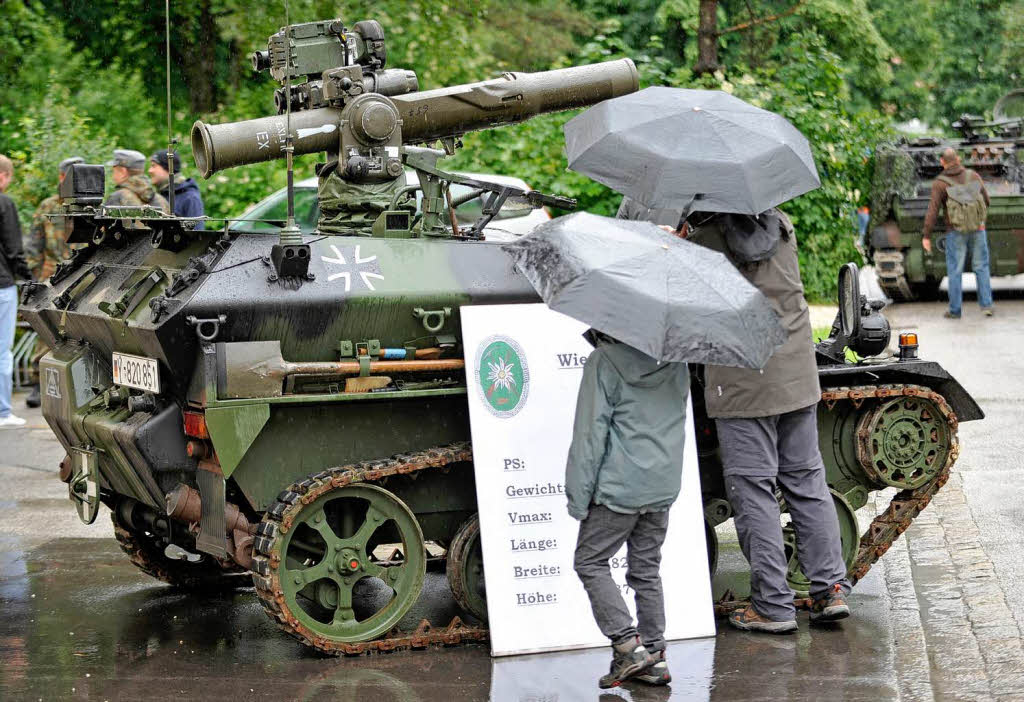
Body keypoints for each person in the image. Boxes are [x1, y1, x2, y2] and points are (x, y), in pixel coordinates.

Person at [683, 209, 851, 633]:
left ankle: (773, 606)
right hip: (795, 372)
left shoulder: (706, 236)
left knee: (752, 490)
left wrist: (677, 240)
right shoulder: (782, 225)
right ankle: (829, 589)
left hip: (741, 381)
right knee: (807, 481)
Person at [566, 328, 690, 688]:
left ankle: (627, 646)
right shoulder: (676, 360)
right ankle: (654, 658)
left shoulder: (604, 361)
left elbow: (589, 435)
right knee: (646, 570)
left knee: (589, 561)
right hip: (662, 485)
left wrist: (578, 496)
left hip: (620, 488)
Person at [23, 156, 85, 408]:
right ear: (62, 178)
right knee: (45, 329)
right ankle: (38, 383)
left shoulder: (91, 208)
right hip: (52, 276)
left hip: (84, 277)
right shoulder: (49, 206)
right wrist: (33, 277)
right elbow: (33, 245)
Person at [921, 147, 994, 319]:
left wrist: (926, 235)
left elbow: (933, 210)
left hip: (955, 231)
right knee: (981, 267)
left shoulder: (940, 183)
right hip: (978, 229)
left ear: (942, 162)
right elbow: (987, 200)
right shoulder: (973, 176)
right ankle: (987, 306)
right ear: (958, 159)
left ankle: (955, 310)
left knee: (955, 270)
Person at [0, 154, 31, 428]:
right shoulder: (4, 204)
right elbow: (13, 249)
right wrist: (29, 278)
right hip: (1, 287)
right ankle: (2, 412)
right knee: (2, 351)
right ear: (2, 176)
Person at [149, 150, 205, 228]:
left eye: (153, 166)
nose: (150, 170)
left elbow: (197, 235)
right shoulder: (159, 195)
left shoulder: (190, 198)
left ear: (168, 168)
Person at [104, 149, 170, 213]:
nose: (113, 176)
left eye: (114, 171)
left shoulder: (117, 197)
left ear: (122, 172)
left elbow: (101, 223)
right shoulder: (162, 200)